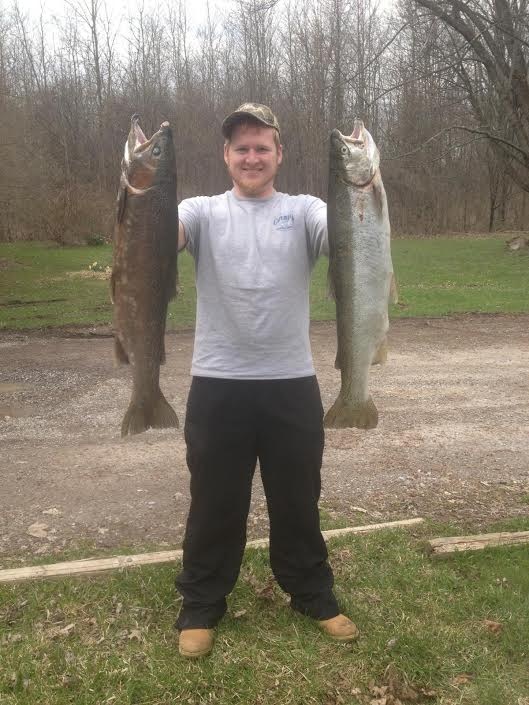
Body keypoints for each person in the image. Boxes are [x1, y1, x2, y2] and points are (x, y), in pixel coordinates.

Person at [175, 103, 359, 658]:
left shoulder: (307, 210)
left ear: (279, 154)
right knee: (214, 501)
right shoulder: (200, 210)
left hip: (290, 382)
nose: (251, 156)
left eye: (262, 147)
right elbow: (166, 235)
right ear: (226, 156)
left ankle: (311, 593)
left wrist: (365, 189)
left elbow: (347, 237)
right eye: (241, 147)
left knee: (298, 498)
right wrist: (139, 192)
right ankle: (202, 604)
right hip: (218, 382)